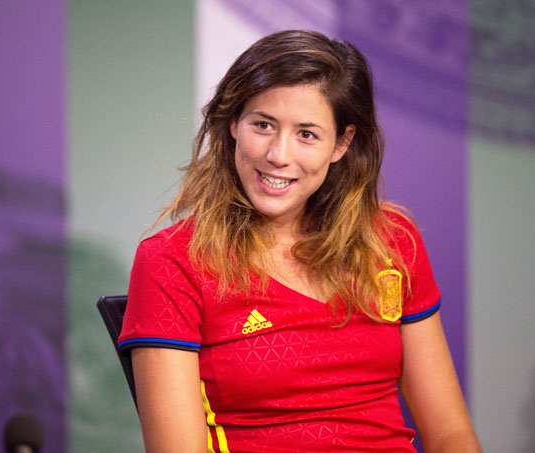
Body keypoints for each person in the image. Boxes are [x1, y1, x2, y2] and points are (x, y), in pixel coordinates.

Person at [118, 30, 480, 452]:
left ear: (341, 144)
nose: (278, 154)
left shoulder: (393, 241)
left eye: (306, 134)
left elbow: (451, 436)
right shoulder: (174, 259)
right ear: (233, 123)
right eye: (263, 125)